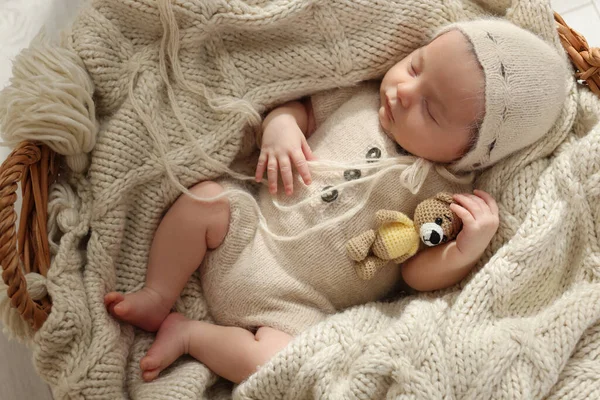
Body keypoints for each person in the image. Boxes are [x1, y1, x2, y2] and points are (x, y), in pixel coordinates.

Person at [104, 19, 568, 384]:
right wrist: (280, 128)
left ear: (467, 154)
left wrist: (463, 252)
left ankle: (191, 337)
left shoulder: (443, 197)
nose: (403, 93)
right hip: (248, 231)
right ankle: (158, 292)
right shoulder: (360, 99)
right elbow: (298, 108)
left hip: (297, 304)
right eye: (415, 65)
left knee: (288, 361)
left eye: (431, 110)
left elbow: (415, 273)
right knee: (204, 200)